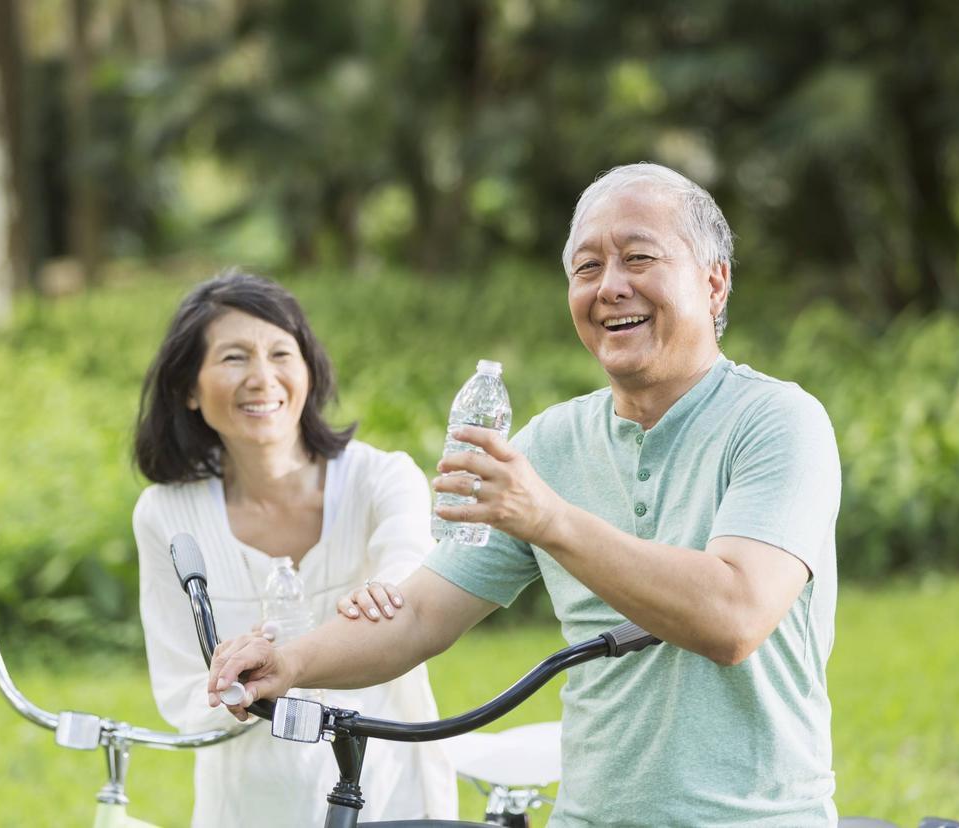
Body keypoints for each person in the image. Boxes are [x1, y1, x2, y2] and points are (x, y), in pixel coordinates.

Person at [209, 163, 842, 826]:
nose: (610, 287)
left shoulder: (778, 422)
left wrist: (549, 519)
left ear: (714, 282)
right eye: (587, 267)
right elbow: (422, 613)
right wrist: (290, 660)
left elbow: (734, 616)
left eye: (638, 258)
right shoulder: (551, 444)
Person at [132, 269, 456, 826]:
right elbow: (182, 685)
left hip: (384, 788)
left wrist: (377, 603)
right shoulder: (166, 514)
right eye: (235, 358)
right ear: (188, 387)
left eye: (281, 353)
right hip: (249, 802)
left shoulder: (383, 480)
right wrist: (231, 688)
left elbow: (408, 589)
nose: (262, 377)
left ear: (308, 371)